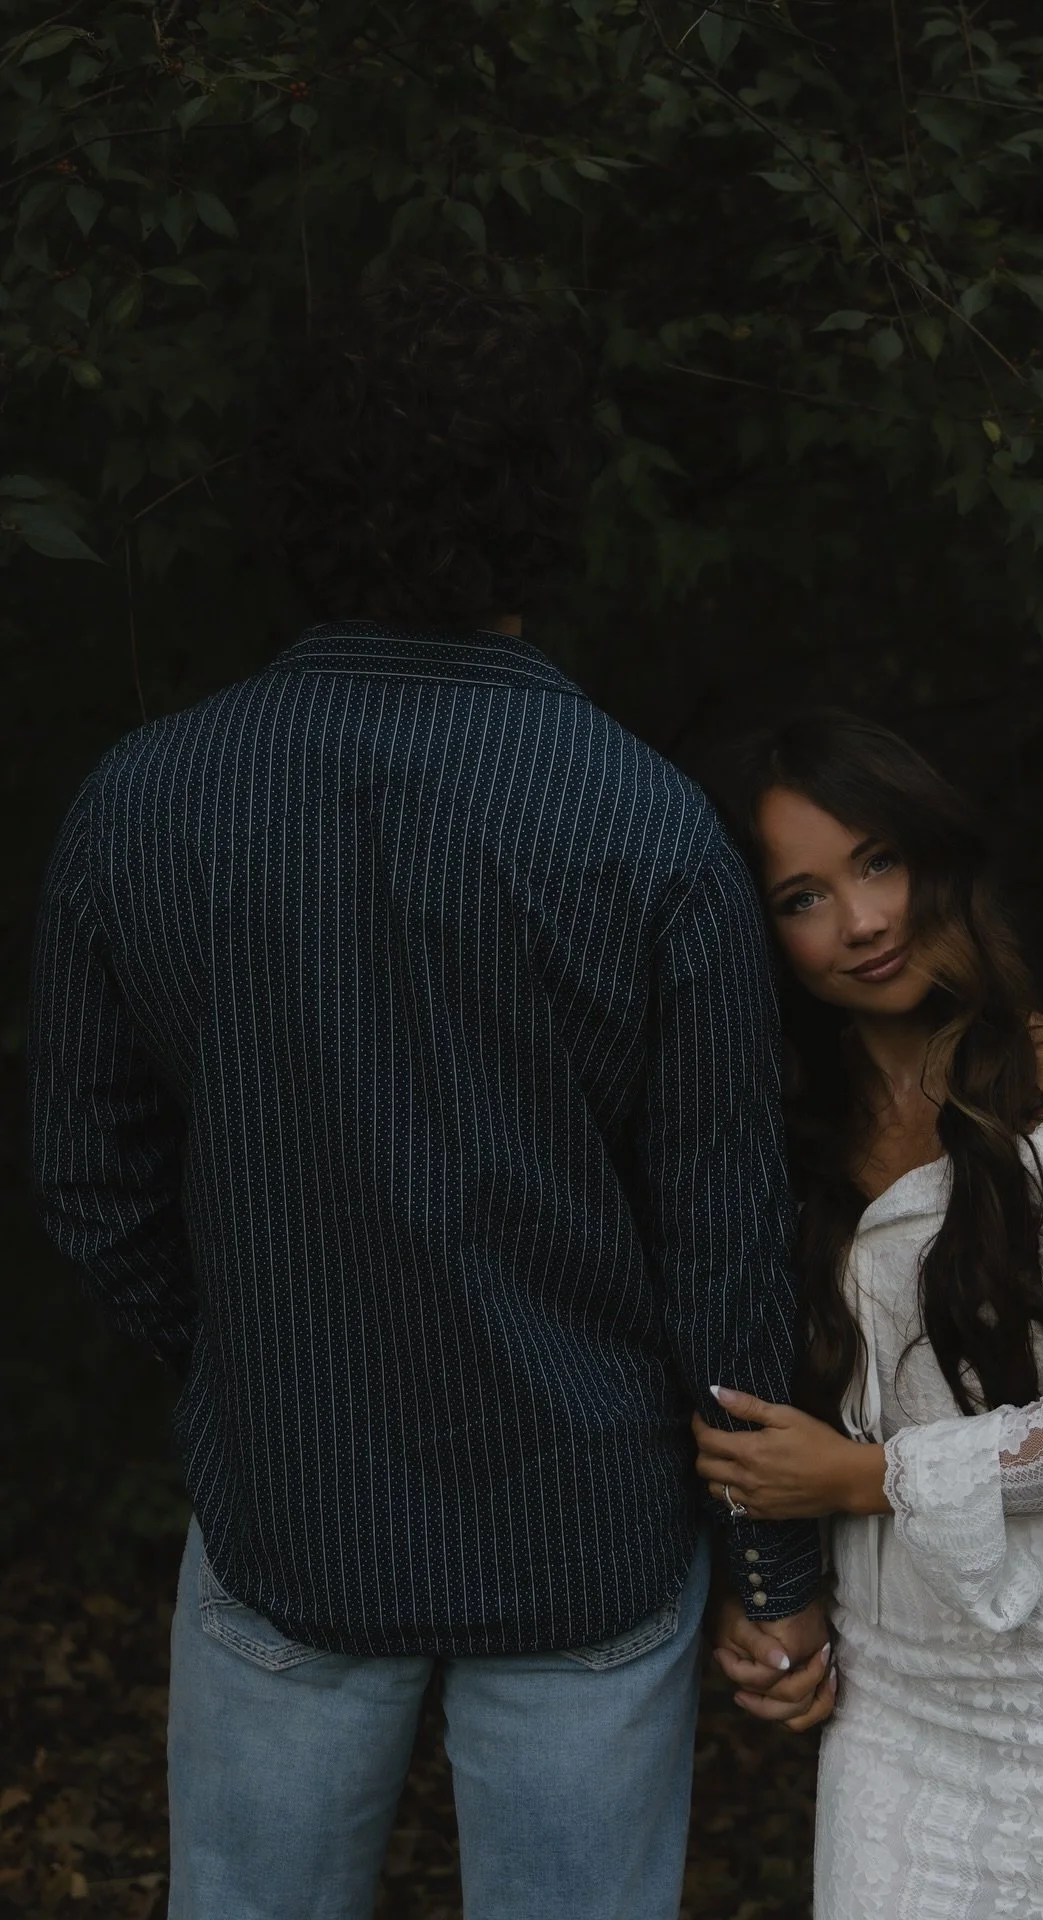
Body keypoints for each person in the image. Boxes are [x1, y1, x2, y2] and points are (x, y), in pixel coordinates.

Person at [28, 265, 828, 1920]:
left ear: (295, 492)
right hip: (585, 1528)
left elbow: (91, 1184)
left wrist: (255, 1351)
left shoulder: (143, 802)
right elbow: (727, 1238)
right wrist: (776, 1571)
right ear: (545, 499)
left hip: (289, 1508)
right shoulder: (650, 828)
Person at [693, 710, 1043, 1918]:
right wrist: (764, 1580)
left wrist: (855, 1480)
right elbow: (755, 1402)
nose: (864, 921)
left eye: (878, 861)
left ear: (936, 855)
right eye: (803, 895)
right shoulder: (778, 1134)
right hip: (899, 1719)